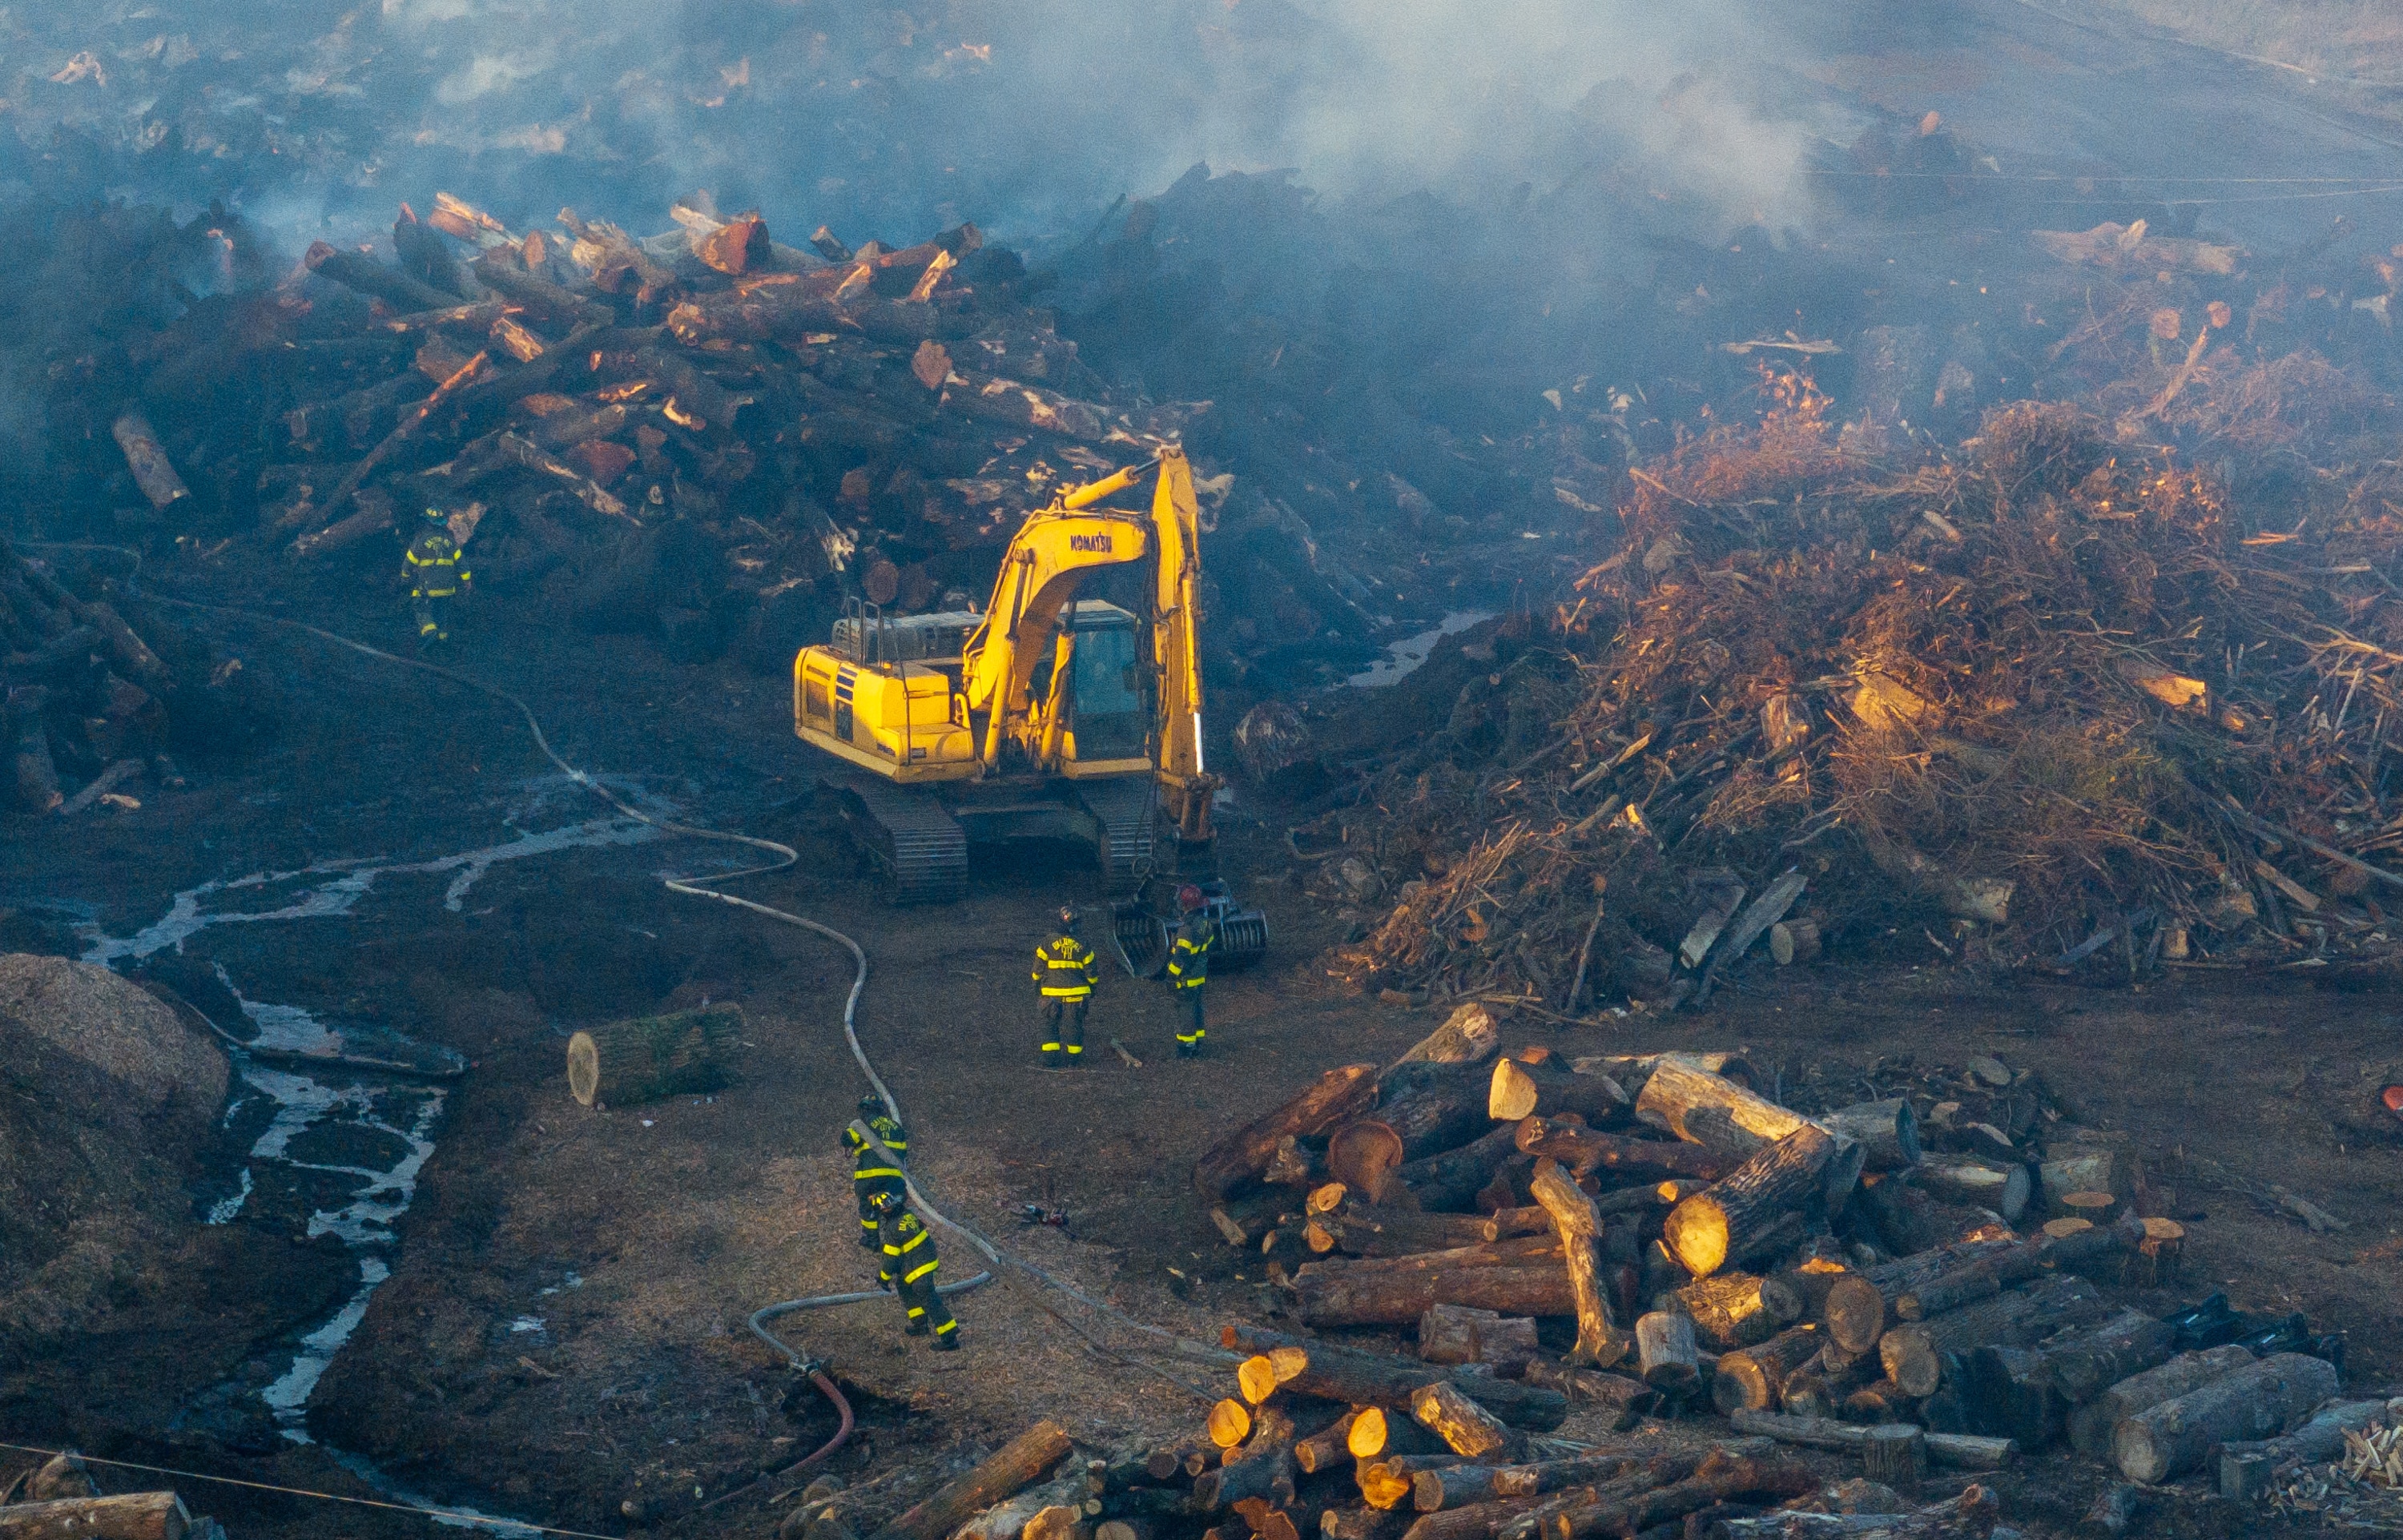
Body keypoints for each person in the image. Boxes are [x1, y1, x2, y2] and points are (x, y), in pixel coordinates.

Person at [870, 1190, 959, 1349]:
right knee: (903, 1286)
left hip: (919, 1263)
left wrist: (883, 1278)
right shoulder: (906, 1214)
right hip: (924, 1256)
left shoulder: (892, 1228)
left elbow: (890, 1259)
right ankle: (920, 1324)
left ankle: (949, 1338)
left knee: (928, 1297)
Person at [1032, 905, 1097, 1068]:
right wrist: (1092, 988)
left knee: (1049, 1025)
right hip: (1077, 996)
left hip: (1051, 994)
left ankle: (1049, 1059)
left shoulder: (1048, 941)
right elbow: (1091, 972)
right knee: (1074, 1027)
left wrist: (1036, 985)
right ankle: (1072, 1060)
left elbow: (1038, 969)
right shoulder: (1083, 944)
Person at [843, 1093, 908, 1250]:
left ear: (865, 1109)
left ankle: (872, 1240)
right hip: (894, 1178)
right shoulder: (896, 1127)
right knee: (893, 1207)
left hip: (870, 1177)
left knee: (868, 1207)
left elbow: (846, 1139)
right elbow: (903, 1152)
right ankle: (900, 1240)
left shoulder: (863, 1124)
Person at [404, 507, 471, 645]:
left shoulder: (421, 540)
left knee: (420, 605)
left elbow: (409, 561)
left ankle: (429, 632)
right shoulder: (450, 541)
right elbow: (461, 562)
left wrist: (405, 576)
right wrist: (467, 580)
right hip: (447, 587)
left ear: (428, 522)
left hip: (428, 586)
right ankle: (442, 641)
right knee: (441, 613)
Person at [1167, 887, 1213, 1058]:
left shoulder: (1186, 930)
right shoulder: (1205, 923)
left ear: (1184, 905)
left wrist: (1171, 977)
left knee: (1185, 1011)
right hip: (1199, 976)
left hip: (1186, 978)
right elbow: (1208, 946)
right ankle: (1198, 1042)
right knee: (1197, 1008)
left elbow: (1181, 957)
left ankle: (1186, 1047)